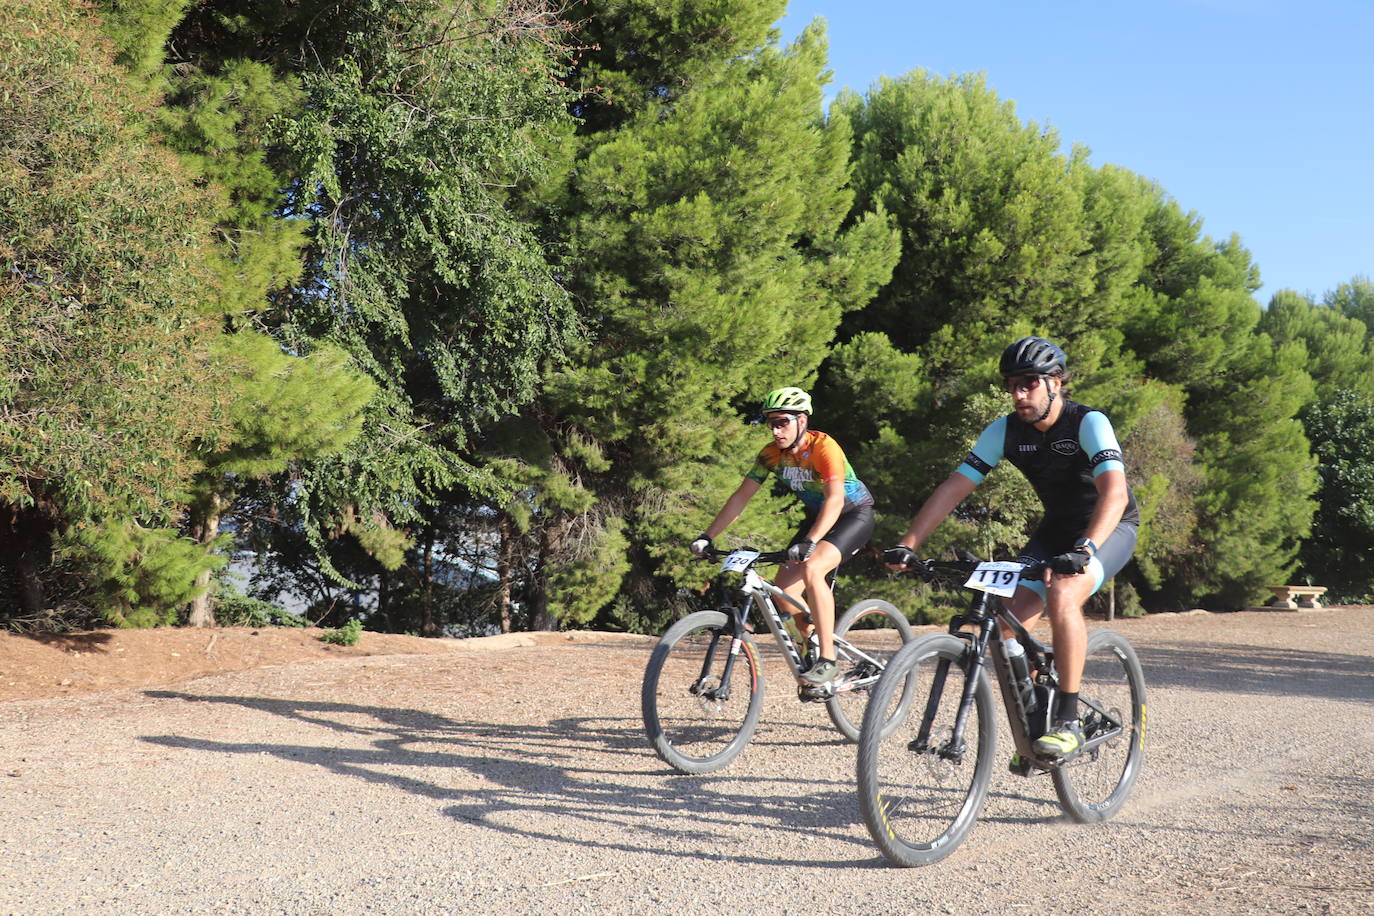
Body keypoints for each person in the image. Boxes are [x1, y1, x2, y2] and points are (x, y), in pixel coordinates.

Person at [885, 337, 1138, 758]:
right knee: (1006, 621)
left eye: (1029, 383)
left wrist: (1086, 548)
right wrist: (907, 543)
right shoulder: (1005, 430)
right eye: (1012, 385)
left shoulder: (1088, 422)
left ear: (1055, 382)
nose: (1019, 394)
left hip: (1109, 527)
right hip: (1056, 529)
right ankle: (1036, 717)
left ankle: (1069, 721)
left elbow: (1115, 493)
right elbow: (955, 487)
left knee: (1062, 593)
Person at [691, 387, 876, 688]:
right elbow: (741, 497)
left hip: (852, 515)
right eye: (771, 424)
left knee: (813, 568)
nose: (776, 430)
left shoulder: (824, 447)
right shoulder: (771, 455)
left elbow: (834, 500)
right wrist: (707, 536)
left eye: (782, 422)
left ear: (801, 420)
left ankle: (828, 659)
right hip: (818, 520)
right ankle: (813, 640)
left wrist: (811, 540)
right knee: (783, 592)